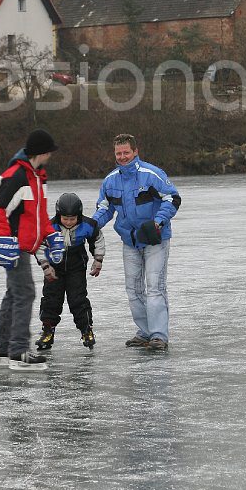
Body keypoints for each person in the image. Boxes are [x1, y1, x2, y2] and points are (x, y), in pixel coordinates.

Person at [93, 133, 181, 352]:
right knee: (133, 290)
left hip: (155, 239)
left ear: (135, 152)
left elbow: (172, 198)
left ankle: (159, 335)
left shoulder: (151, 174)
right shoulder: (110, 180)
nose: (122, 157)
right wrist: (90, 226)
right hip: (129, 241)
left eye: (126, 152)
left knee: (155, 287)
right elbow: (104, 209)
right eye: (118, 153)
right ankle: (145, 332)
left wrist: (158, 222)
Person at [0, 128, 58, 371]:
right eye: (49, 152)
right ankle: (18, 351)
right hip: (14, 245)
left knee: (14, 294)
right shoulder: (17, 176)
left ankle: (0, 348)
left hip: (26, 244)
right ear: (42, 152)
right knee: (25, 293)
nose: (50, 156)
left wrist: (52, 235)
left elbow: (38, 216)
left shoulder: (39, 177)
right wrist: (2, 241)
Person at [35, 193, 105, 351]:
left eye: (72, 219)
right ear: (58, 214)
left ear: (79, 215)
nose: (68, 222)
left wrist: (98, 259)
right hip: (54, 267)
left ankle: (86, 330)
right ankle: (48, 331)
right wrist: (46, 266)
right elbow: (39, 245)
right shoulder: (49, 226)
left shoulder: (88, 225)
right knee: (51, 300)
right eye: (65, 218)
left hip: (76, 267)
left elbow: (97, 239)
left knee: (78, 299)